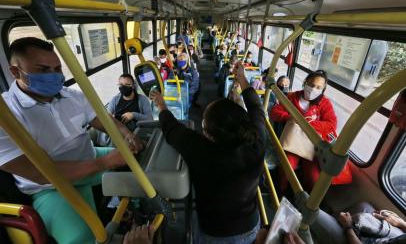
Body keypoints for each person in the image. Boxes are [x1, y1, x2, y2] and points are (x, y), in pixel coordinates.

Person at [0, 37, 144, 244]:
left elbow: (105, 120)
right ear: (15, 72)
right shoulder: (6, 115)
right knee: (81, 238)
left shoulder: (72, 96)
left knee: (143, 163)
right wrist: (105, 162)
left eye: (57, 68)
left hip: (90, 157)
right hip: (50, 187)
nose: (54, 76)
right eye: (43, 70)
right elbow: (38, 172)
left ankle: (136, 212)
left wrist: (127, 135)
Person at [149, 61, 266, 244]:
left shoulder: (200, 150)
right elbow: (256, 107)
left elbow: (171, 129)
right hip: (250, 225)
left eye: (203, 126)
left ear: (210, 136)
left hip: (215, 231)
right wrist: (241, 77)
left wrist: (162, 106)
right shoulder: (256, 138)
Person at [270, 70, 345, 192]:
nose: (313, 89)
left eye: (318, 87)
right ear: (305, 83)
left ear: (322, 90)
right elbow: (274, 112)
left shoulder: (324, 103)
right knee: (287, 169)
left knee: (314, 178)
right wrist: (290, 116)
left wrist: (310, 123)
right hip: (293, 142)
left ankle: (306, 200)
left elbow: (331, 125)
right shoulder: (292, 97)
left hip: (313, 146)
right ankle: (281, 192)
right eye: (311, 84)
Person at [96, 74, 153, 146]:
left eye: (127, 84)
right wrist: (113, 118)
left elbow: (150, 119)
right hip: (117, 131)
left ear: (133, 86)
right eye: (121, 84)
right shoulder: (115, 100)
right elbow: (107, 116)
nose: (123, 87)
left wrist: (133, 115)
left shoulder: (142, 100)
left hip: (135, 133)